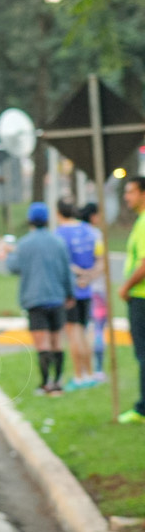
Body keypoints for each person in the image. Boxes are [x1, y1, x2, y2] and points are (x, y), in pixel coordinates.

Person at [4, 202, 75, 397]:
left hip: (34, 300)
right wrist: (70, 294)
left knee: (42, 344)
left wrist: (5, 253)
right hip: (56, 298)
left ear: (30, 220)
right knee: (57, 342)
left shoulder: (24, 244)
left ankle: (45, 384)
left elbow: (12, 267)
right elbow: (66, 271)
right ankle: (58, 382)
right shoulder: (57, 242)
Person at [55, 197, 100, 390]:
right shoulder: (90, 231)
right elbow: (101, 259)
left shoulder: (59, 234)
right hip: (87, 289)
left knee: (73, 334)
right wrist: (89, 277)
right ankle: (90, 374)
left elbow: (62, 263)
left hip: (70, 292)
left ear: (58, 213)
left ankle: (78, 376)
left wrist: (79, 274)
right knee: (85, 331)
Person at [118, 176, 145, 424]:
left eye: (131, 192)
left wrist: (126, 287)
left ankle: (142, 409)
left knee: (143, 354)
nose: (127, 197)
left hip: (141, 297)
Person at [80, 203, 108, 382]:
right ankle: (98, 369)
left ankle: (84, 369)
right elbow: (101, 263)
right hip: (97, 290)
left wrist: (82, 279)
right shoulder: (96, 235)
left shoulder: (77, 233)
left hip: (79, 290)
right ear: (93, 216)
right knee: (98, 330)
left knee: (81, 331)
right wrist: (90, 277)